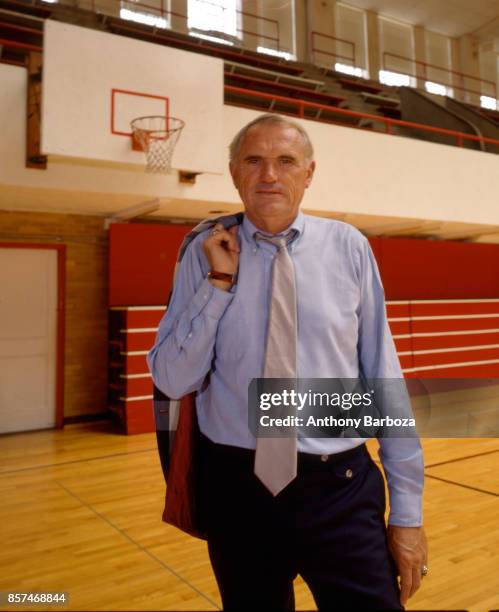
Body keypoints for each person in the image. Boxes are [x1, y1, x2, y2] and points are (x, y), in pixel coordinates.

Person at [148, 113, 427, 611]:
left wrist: (407, 512)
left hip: (337, 488)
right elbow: (172, 377)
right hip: (237, 491)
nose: (270, 175)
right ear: (235, 173)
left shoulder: (349, 248)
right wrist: (218, 285)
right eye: (254, 161)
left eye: (285, 161)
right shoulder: (203, 251)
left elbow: (383, 376)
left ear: (309, 173)